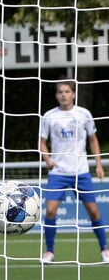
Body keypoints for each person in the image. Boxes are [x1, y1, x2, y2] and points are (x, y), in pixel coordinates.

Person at [38, 78, 107, 264]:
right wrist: (47, 158)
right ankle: (49, 252)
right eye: (60, 92)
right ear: (56, 95)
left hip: (81, 171)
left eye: (67, 92)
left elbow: (93, 139)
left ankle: (104, 249)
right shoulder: (49, 116)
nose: (63, 95)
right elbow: (42, 143)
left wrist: (98, 164)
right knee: (50, 211)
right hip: (58, 172)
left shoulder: (84, 114)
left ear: (73, 94)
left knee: (93, 211)